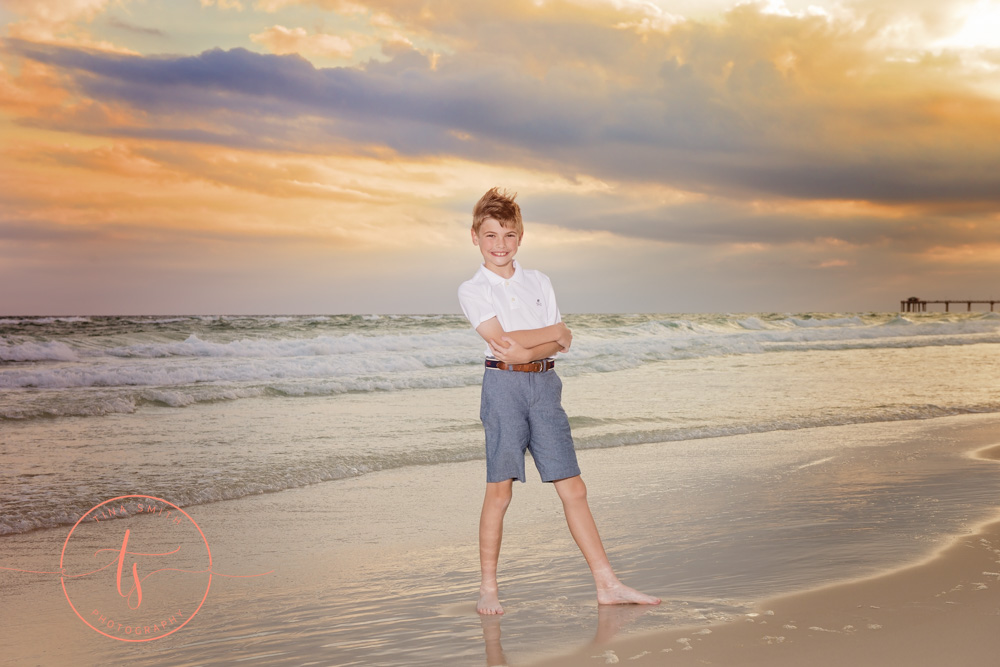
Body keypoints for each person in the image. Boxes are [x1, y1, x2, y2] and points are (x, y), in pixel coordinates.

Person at [458, 187, 661, 615]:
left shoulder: (539, 281)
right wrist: (550, 335)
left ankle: (607, 583)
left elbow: (561, 339)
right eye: (491, 235)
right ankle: (488, 588)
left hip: (546, 388)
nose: (500, 244)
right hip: (503, 390)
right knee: (500, 492)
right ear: (475, 236)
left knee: (575, 487)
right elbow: (506, 341)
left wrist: (537, 346)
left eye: (509, 235)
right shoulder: (473, 289)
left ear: (521, 236)